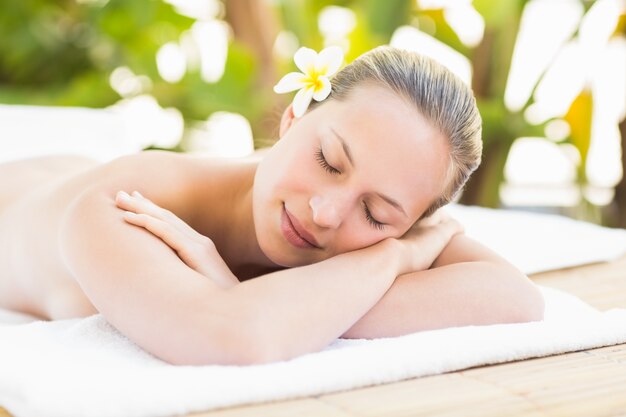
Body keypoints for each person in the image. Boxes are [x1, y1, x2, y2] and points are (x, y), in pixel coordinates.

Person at [0, 46, 544, 366]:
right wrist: (395, 260)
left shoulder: (387, 233)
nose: (326, 213)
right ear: (291, 118)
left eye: (377, 215)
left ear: (412, 223)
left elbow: (516, 297)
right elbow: (236, 334)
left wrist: (256, 297)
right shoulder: (122, 208)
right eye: (329, 160)